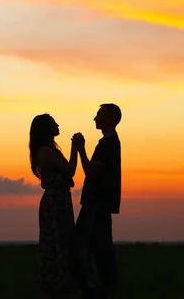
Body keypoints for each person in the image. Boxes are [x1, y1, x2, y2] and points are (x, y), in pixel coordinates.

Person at [72, 103, 122, 299]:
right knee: (100, 247)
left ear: (108, 119)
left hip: (96, 203)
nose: (95, 119)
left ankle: (91, 288)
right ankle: (102, 287)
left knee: (81, 245)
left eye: (98, 115)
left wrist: (80, 150)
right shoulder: (111, 142)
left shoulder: (107, 144)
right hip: (101, 202)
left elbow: (91, 171)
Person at [29, 113, 79, 299]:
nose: (57, 125)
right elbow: (70, 170)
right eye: (53, 123)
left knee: (61, 241)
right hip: (55, 203)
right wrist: (76, 148)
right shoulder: (46, 152)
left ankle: (59, 286)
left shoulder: (48, 150)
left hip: (59, 200)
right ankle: (55, 285)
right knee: (56, 243)